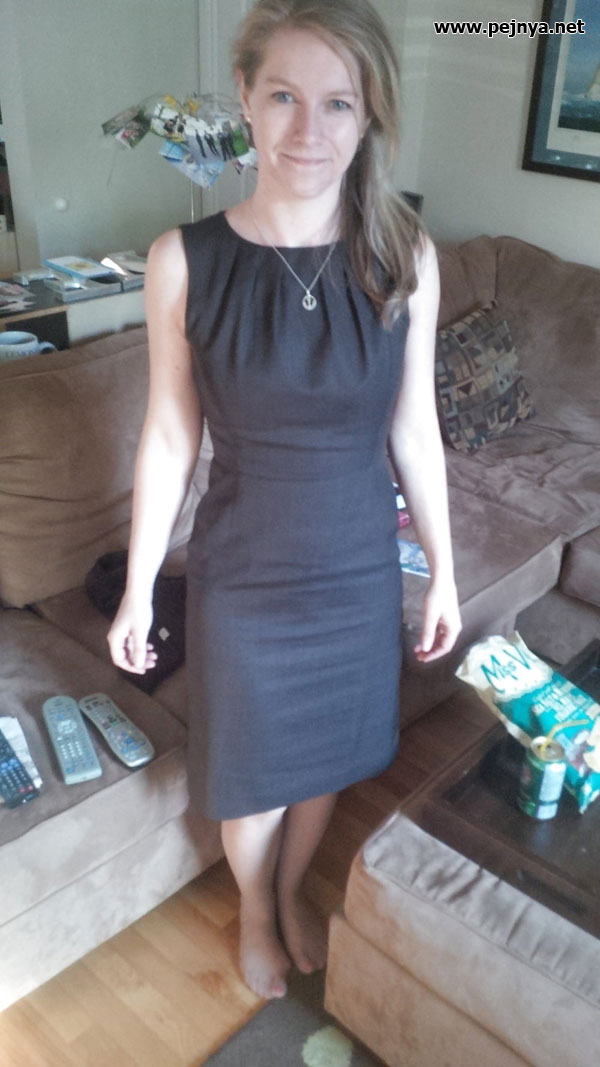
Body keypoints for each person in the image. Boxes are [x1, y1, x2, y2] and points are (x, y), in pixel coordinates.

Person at [108, 0, 461, 1002]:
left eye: (338, 102)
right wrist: (138, 587)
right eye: (284, 97)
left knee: (327, 764)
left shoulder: (407, 257)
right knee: (254, 776)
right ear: (246, 102)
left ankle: (291, 888)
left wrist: (445, 569)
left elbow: (415, 432)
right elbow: (169, 436)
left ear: (369, 113)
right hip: (244, 575)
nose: (310, 129)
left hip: (356, 567)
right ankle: (257, 911)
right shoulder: (183, 260)